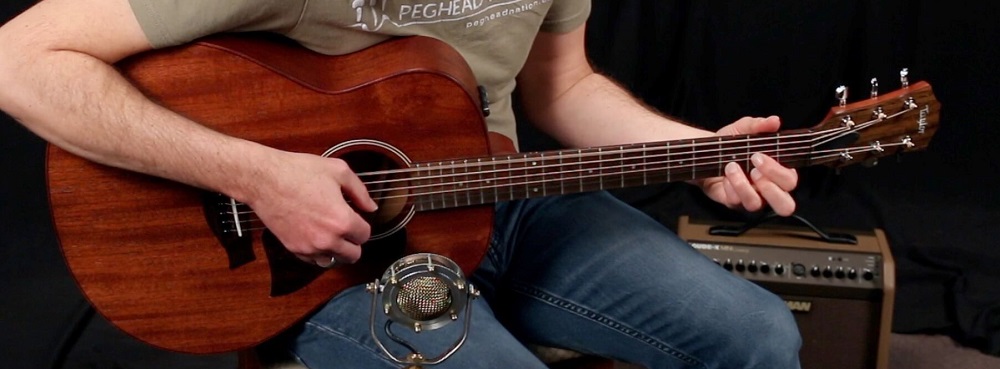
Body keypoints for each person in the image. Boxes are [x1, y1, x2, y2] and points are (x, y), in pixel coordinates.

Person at [0, 1, 801, 368]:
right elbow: (17, 59)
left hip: (497, 196)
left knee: (760, 335)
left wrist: (694, 149)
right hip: (323, 264)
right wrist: (258, 175)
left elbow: (563, 88)